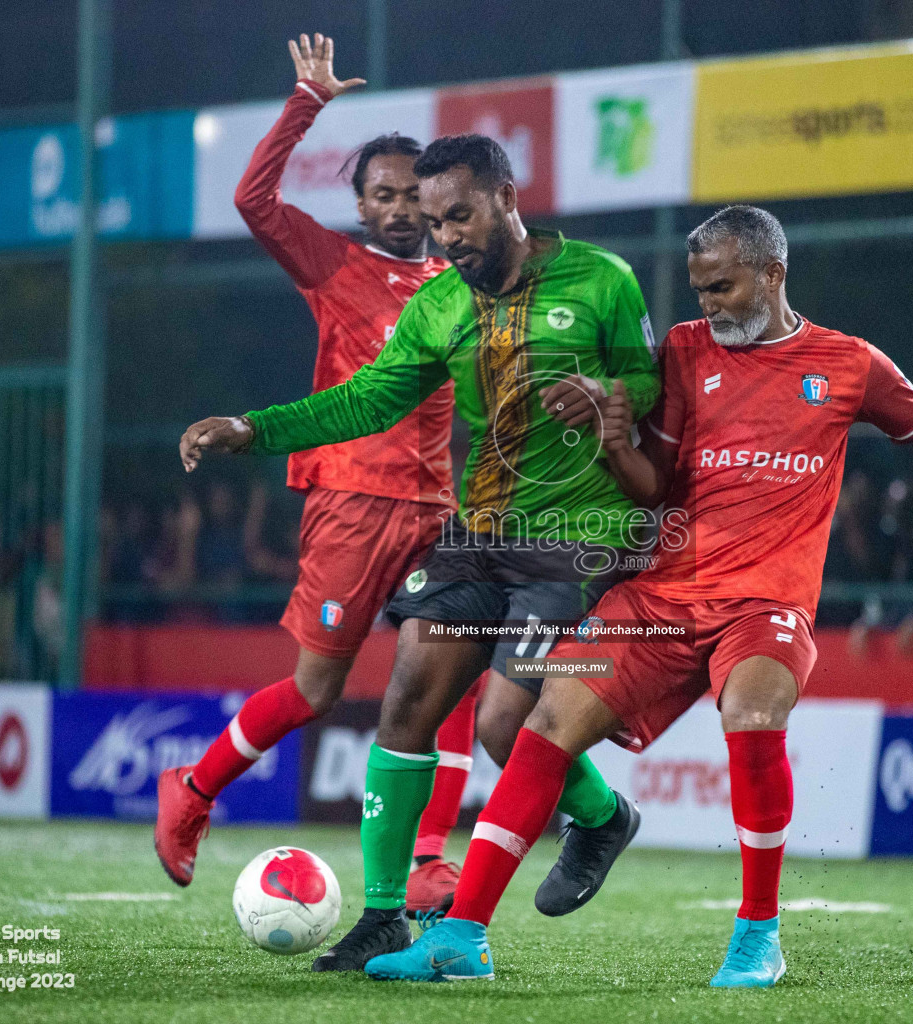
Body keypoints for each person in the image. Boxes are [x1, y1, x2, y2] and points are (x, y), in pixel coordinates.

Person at [364, 205, 913, 987]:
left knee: (750, 714)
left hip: (764, 606)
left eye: (722, 285)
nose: (707, 303)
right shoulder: (681, 352)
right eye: (699, 289)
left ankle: (757, 937)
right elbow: (653, 489)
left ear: (773, 272)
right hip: (661, 600)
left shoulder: (847, 365)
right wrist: (609, 427)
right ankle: (462, 937)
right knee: (538, 726)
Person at [178, 132, 663, 970]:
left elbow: (656, 383)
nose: (447, 237)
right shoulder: (437, 306)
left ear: (508, 196)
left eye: (462, 216)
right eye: (436, 224)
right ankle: (382, 914)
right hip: (481, 534)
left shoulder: (601, 279)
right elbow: (366, 400)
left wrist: (610, 394)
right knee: (407, 703)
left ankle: (601, 818)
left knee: (506, 727)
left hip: (579, 534)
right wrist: (256, 429)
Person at [155, 34, 479, 921]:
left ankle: (427, 860)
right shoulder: (336, 265)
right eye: (385, 195)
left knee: (458, 669)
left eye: (417, 194)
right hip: (348, 503)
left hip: (436, 511)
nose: (404, 208)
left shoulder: (464, 287)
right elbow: (251, 200)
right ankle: (192, 785)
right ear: (363, 206)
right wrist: (307, 104)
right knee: (314, 691)